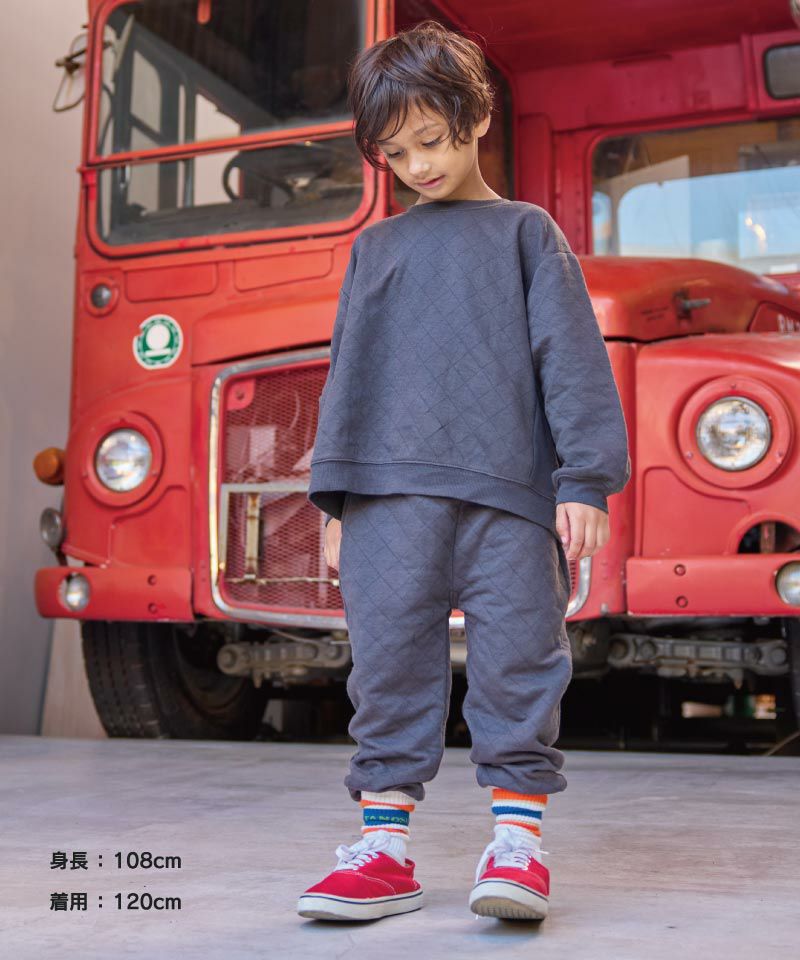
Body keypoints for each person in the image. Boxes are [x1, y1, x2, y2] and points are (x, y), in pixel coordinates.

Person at [297, 19, 630, 924]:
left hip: (509, 498)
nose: (418, 166)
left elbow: (572, 358)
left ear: (477, 117)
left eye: (432, 141)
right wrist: (335, 500)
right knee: (387, 666)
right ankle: (382, 851)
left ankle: (517, 845)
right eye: (396, 152)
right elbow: (349, 372)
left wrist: (585, 479)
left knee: (521, 662)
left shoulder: (527, 234)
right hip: (385, 500)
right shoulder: (376, 249)